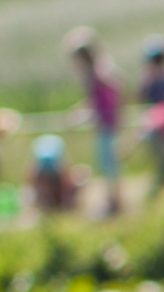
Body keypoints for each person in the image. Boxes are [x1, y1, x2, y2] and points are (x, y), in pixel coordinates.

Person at [67, 29, 124, 217]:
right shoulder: (97, 73)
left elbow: (112, 91)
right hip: (104, 125)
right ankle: (113, 201)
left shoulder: (99, 73)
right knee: (107, 164)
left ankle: (115, 203)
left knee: (110, 165)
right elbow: (94, 101)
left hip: (108, 125)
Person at [30, 133, 81, 216]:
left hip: (48, 171)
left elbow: (31, 170)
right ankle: (60, 202)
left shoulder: (45, 151)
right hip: (52, 170)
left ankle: (49, 202)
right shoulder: (56, 148)